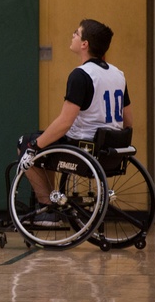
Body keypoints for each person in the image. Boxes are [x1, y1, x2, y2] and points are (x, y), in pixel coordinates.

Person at [16, 18, 132, 226]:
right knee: (45, 142)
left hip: (84, 148)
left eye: (76, 33)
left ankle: (48, 208)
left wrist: (34, 147)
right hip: (111, 149)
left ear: (85, 44)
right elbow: (128, 121)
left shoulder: (81, 75)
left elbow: (64, 123)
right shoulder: (118, 75)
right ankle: (52, 200)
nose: (73, 36)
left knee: (26, 143)